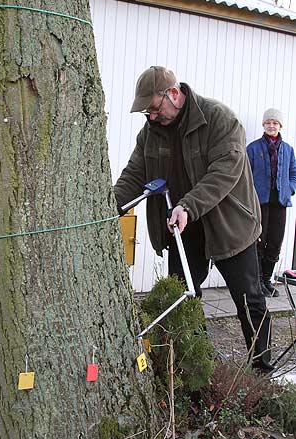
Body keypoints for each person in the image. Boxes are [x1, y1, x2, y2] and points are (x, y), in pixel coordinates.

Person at [114, 66, 273, 372]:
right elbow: (134, 174)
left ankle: (261, 369)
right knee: (185, 299)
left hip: (230, 225)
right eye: (147, 112)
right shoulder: (150, 132)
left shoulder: (219, 119)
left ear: (173, 94)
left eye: (155, 108)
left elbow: (225, 172)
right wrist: (108, 206)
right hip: (182, 229)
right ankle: (203, 367)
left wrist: (188, 206)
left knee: (249, 300)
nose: (152, 116)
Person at [247, 109, 296, 297]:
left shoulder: (288, 150)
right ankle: (257, 282)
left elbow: (294, 173)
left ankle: (267, 280)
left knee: (275, 242)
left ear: (280, 126)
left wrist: (290, 188)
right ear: (263, 125)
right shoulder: (253, 148)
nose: (271, 125)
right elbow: (245, 175)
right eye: (268, 122)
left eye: (275, 122)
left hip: (280, 203)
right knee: (259, 241)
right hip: (260, 203)